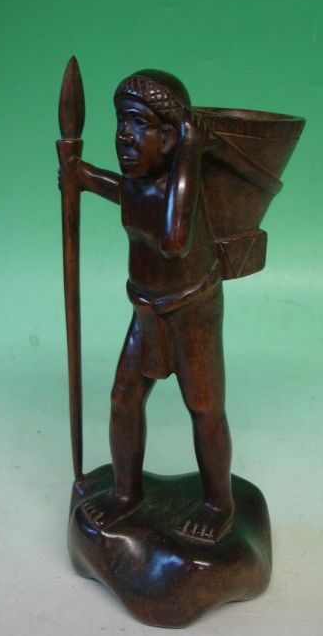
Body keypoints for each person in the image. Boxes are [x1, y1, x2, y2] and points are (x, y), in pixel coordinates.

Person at [62, 70, 234, 543]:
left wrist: (192, 153)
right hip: (146, 311)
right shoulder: (139, 186)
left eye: (139, 123)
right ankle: (126, 493)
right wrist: (81, 175)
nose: (124, 135)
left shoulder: (183, 189)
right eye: (121, 122)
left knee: (205, 408)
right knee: (124, 399)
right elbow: (123, 191)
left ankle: (219, 504)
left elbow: (174, 241)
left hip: (192, 312)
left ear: (172, 137)